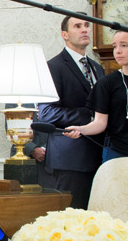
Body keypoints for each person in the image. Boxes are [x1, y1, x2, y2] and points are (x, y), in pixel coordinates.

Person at [37, 15, 105, 209]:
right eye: (77, 26)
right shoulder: (53, 67)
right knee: (71, 222)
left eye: (86, 25)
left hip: (97, 156)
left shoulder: (97, 68)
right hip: (69, 158)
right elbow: (48, 112)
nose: (84, 29)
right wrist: (90, 117)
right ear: (64, 34)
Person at [64, 30, 128, 162]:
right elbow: (100, 122)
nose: (118, 51)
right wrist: (81, 129)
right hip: (117, 152)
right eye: (115, 46)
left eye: (124, 45)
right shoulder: (107, 83)